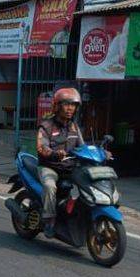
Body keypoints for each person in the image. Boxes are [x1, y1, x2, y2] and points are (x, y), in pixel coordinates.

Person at [36, 87, 86, 238]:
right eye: (66, 104)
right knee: (50, 186)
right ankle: (49, 220)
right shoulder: (46, 126)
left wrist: (102, 152)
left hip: (69, 168)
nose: (70, 108)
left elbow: (83, 147)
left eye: (73, 105)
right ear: (57, 106)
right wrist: (53, 153)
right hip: (50, 167)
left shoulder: (74, 127)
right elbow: (40, 147)